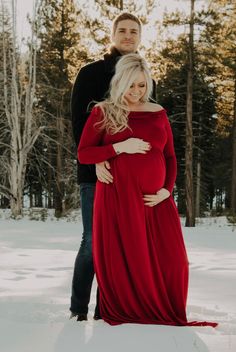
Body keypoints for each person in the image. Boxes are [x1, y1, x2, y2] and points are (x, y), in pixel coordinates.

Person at [78, 53, 218, 327]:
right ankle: (127, 310)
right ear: (120, 82)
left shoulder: (158, 112)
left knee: (175, 261)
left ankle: (161, 307)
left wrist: (167, 190)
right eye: (131, 84)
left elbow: (169, 157)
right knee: (125, 258)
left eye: (142, 85)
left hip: (156, 200)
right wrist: (119, 147)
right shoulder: (104, 111)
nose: (136, 91)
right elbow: (84, 153)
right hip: (118, 198)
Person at [70, 12, 156, 321]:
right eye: (123, 30)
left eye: (134, 31)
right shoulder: (91, 73)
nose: (128, 35)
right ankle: (78, 309)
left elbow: (146, 129)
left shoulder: (145, 77)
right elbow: (80, 126)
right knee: (93, 242)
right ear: (113, 34)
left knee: (121, 245)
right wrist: (99, 161)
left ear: (140, 36)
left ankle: (108, 309)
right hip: (97, 173)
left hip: (131, 179)